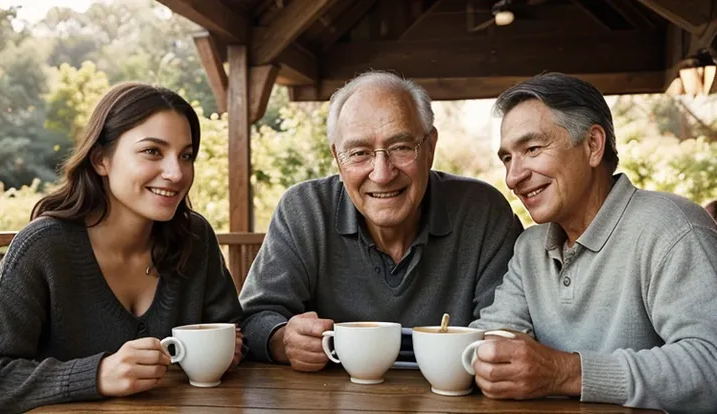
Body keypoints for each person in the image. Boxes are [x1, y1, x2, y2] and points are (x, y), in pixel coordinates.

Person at [0, 83, 243, 412]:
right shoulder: (43, 247)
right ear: (101, 159)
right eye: (153, 151)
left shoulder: (195, 236)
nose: (176, 173)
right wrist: (97, 375)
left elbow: (235, 330)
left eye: (186, 155)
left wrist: (233, 347)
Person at [239, 71, 523, 371]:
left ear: (430, 147)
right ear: (338, 157)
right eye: (359, 153)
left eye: (401, 147)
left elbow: (506, 332)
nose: (382, 173)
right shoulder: (304, 210)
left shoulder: (482, 211)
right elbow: (253, 318)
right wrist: (283, 339)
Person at [470, 73, 717, 413]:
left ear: (592, 145)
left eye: (532, 149)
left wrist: (567, 373)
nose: (513, 178)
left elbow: (711, 365)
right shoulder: (530, 247)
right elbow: (492, 338)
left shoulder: (672, 227)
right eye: (508, 159)